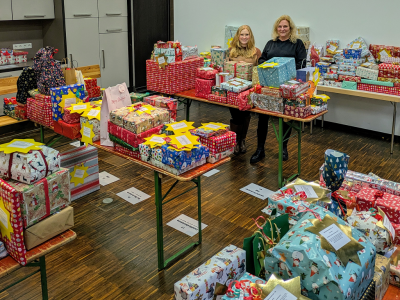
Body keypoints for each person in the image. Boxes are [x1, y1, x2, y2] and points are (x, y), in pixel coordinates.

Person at [250, 15, 307, 164]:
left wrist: (285, 70)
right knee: (262, 118)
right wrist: (269, 66)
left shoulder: (297, 44)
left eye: (285, 27)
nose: (282, 29)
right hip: (268, 86)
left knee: (286, 118)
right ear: (277, 29)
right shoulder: (270, 43)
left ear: (290, 28)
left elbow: (302, 63)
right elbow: (262, 60)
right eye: (280, 27)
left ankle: (283, 148)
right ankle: (260, 149)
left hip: (287, 87)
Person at [227, 25, 261, 154]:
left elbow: (260, 69)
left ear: (250, 36)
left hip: (248, 90)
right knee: (235, 115)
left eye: (247, 34)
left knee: (246, 115)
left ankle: (242, 140)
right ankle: (236, 142)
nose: (244, 37)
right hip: (233, 89)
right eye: (242, 34)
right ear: (238, 36)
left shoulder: (256, 52)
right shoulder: (231, 50)